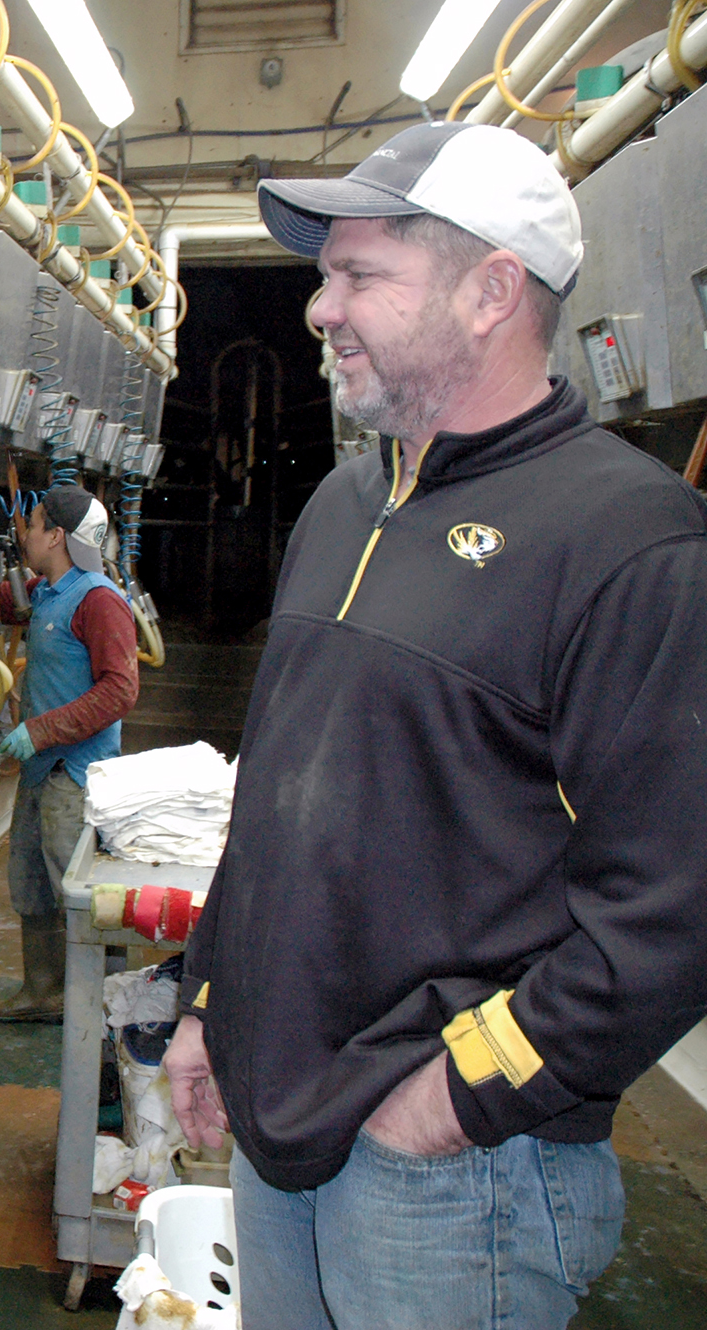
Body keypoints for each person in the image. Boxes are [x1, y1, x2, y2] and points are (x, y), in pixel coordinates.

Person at [163, 120, 707, 1328]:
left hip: (456, 1171)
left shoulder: (629, 539)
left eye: (359, 275)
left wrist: (451, 1101)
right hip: (280, 1118)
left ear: (489, 292)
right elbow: (277, 801)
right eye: (324, 274)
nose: (319, 308)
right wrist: (209, 1001)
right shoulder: (345, 500)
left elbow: (675, 907)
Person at [0, 485, 138, 1021]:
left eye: (32, 524)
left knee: (83, 896)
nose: (25, 533)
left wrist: (41, 730)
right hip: (40, 769)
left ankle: (103, 1008)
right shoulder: (45, 593)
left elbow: (120, 690)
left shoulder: (98, 599)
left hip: (76, 774)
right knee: (30, 881)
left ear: (56, 535)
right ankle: (41, 993)